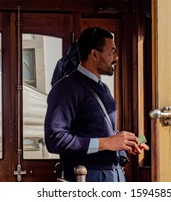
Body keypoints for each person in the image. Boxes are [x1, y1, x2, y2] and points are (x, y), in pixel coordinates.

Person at [44, 26, 149, 182]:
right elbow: (55, 139)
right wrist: (108, 142)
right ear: (94, 54)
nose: (116, 57)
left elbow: (95, 128)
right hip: (88, 178)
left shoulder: (102, 87)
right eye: (112, 51)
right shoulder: (66, 89)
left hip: (112, 176)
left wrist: (124, 142)